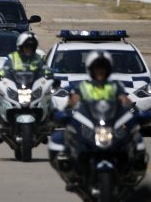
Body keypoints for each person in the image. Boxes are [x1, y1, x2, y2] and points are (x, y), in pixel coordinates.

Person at [48, 50, 146, 196]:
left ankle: (127, 173)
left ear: (108, 70)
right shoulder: (83, 86)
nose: (100, 71)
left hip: (110, 124)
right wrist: (65, 112)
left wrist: (134, 112)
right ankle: (76, 173)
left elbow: (125, 101)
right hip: (89, 124)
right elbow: (72, 102)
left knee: (136, 142)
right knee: (64, 141)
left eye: (103, 68)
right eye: (97, 68)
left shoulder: (114, 86)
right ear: (91, 70)